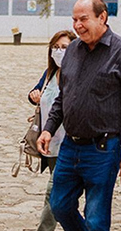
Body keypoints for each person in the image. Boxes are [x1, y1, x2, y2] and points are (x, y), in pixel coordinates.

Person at [37, 0, 121, 231]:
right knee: (59, 205)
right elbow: (63, 98)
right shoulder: (73, 51)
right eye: (74, 19)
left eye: (84, 19)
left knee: (96, 219)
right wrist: (48, 129)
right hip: (70, 147)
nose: (77, 25)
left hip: (102, 150)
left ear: (102, 17)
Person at [27, 30, 77, 231]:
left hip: (69, 144)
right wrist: (34, 97)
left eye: (64, 47)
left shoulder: (76, 75)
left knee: (53, 193)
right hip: (49, 144)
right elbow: (34, 93)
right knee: (62, 197)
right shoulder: (49, 73)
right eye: (55, 48)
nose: (59, 52)